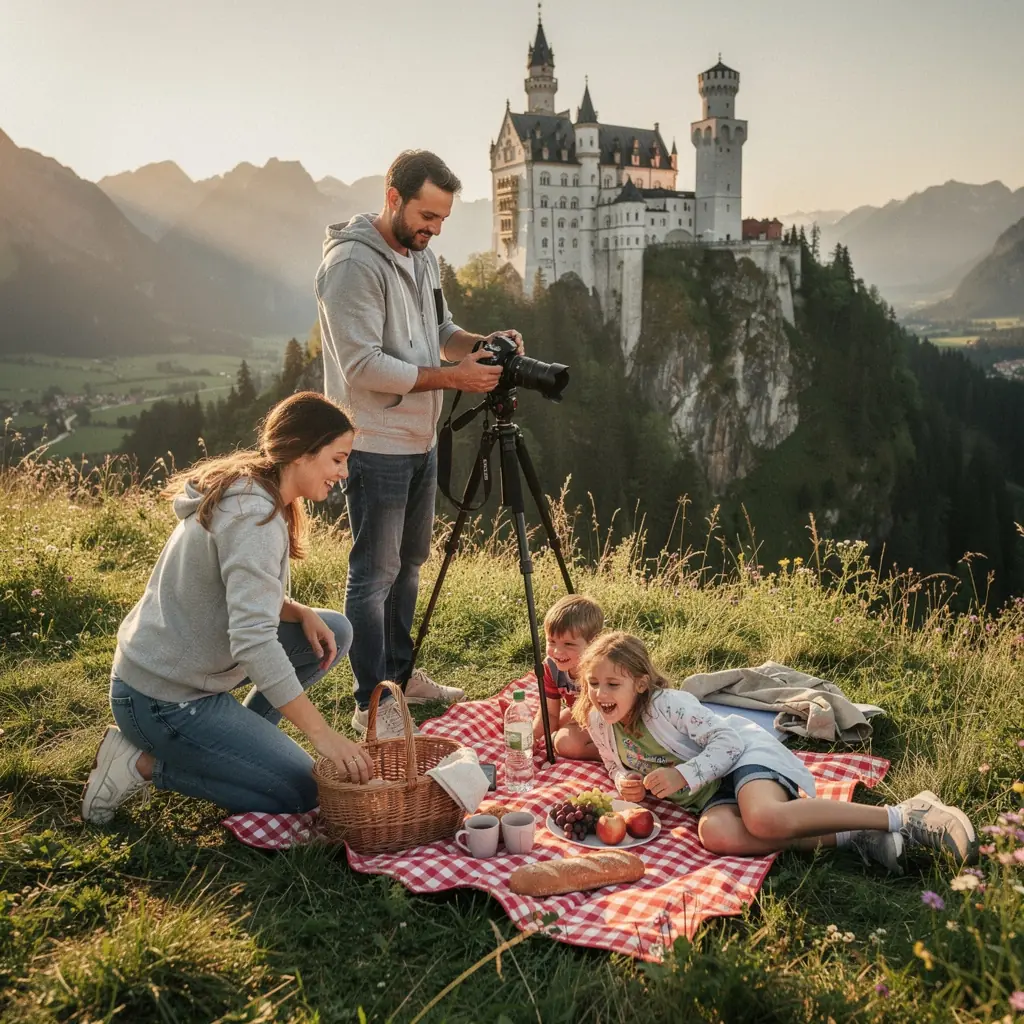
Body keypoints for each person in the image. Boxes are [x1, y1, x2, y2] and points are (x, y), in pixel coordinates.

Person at [81, 392, 375, 825]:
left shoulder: (259, 492)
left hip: (180, 679)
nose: (343, 472)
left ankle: (244, 743)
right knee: (302, 792)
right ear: (301, 452)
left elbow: (238, 592)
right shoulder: (253, 517)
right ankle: (140, 764)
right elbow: (253, 642)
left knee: (334, 630)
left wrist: (298, 611)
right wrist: (324, 736)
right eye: (337, 458)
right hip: (163, 701)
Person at [316, 149, 524, 740]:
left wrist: (485, 344)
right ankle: (370, 704)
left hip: (419, 437)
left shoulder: (422, 257)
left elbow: (438, 332)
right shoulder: (354, 264)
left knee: (409, 567)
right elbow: (362, 367)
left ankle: (401, 679)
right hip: (375, 441)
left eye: (442, 219)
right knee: (374, 575)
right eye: (426, 215)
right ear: (393, 198)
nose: (434, 229)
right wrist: (453, 379)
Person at [574, 631, 977, 873]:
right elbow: (613, 766)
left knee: (763, 818)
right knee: (714, 835)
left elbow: (727, 743)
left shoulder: (669, 705)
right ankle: (855, 837)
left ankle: (905, 816)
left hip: (741, 756)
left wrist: (684, 775)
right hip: (711, 796)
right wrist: (623, 781)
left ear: (641, 684)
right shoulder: (598, 721)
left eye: (612, 684)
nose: (600, 694)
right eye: (593, 683)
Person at [532, 595, 604, 759]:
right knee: (559, 723)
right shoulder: (550, 667)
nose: (557, 652)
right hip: (582, 713)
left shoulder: (601, 669)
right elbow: (550, 714)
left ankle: (620, 755)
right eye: (551, 641)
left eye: (569, 644)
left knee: (564, 743)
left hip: (610, 717)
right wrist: (533, 738)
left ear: (593, 643)